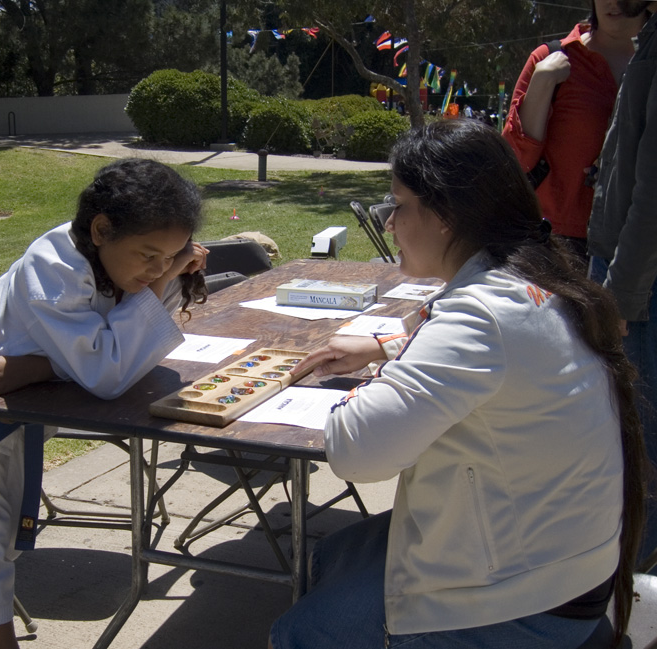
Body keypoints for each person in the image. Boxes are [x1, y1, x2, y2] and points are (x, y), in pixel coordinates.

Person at [270, 120, 648, 649]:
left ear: (445, 215)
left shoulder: (482, 316)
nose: (390, 222)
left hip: (525, 598)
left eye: (398, 206)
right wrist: (386, 348)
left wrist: (378, 378)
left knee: (296, 633)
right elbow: (494, 354)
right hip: (567, 567)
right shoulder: (541, 284)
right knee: (331, 554)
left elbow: (358, 453)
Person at [0, 158, 208, 649]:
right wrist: (43, 366)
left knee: (4, 518)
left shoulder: (120, 260)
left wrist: (37, 366)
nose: (159, 269)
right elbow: (108, 372)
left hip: (23, 392)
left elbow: (112, 355)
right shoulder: (54, 265)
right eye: (149, 256)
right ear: (101, 229)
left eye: (170, 256)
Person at [589, 0, 657, 572]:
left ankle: (629, 593)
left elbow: (655, 195)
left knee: (639, 452)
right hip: (622, 273)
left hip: (638, 287)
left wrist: (620, 296)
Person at [503, 0, 646, 263]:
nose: (612, 3)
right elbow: (514, 163)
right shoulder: (550, 57)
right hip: (556, 242)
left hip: (639, 245)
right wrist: (542, 82)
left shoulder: (651, 63)